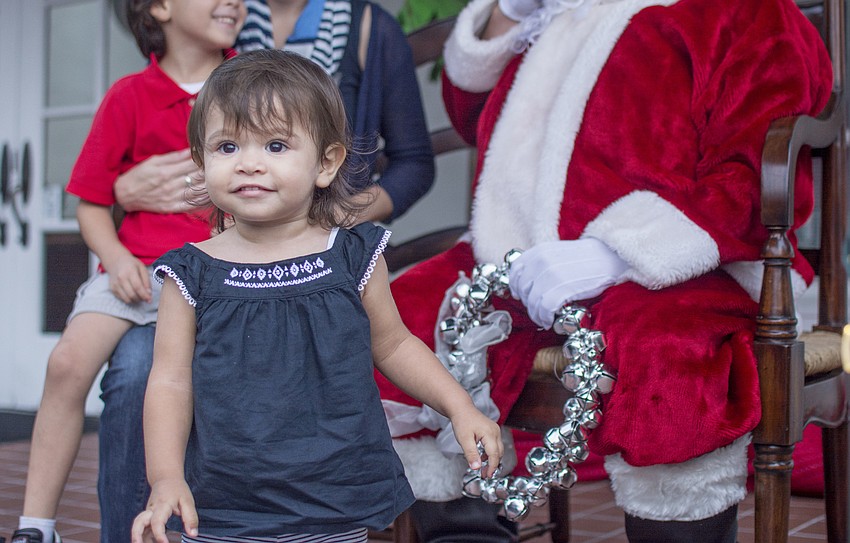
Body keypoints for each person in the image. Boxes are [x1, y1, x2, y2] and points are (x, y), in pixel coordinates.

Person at [375, 0, 834, 541]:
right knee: (401, 318)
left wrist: (614, 253)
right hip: (517, 259)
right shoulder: (563, 9)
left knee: (667, 353)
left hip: (681, 264)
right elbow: (474, 118)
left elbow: (754, 170)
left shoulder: (746, 11)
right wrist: (506, 15)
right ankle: (463, 533)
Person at [128, 49, 501, 543]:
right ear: (201, 162)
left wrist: (460, 407)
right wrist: (166, 478)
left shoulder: (351, 256)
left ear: (326, 163)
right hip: (228, 500)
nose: (249, 164)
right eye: (227, 147)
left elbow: (393, 346)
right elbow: (170, 382)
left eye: (276, 145)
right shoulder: (191, 273)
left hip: (334, 491)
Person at [10, 2, 247, 543]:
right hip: (136, 270)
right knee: (67, 361)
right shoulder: (128, 97)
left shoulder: (249, 86)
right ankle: (36, 525)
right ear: (158, 7)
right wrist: (115, 259)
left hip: (215, 276)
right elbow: (91, 204)